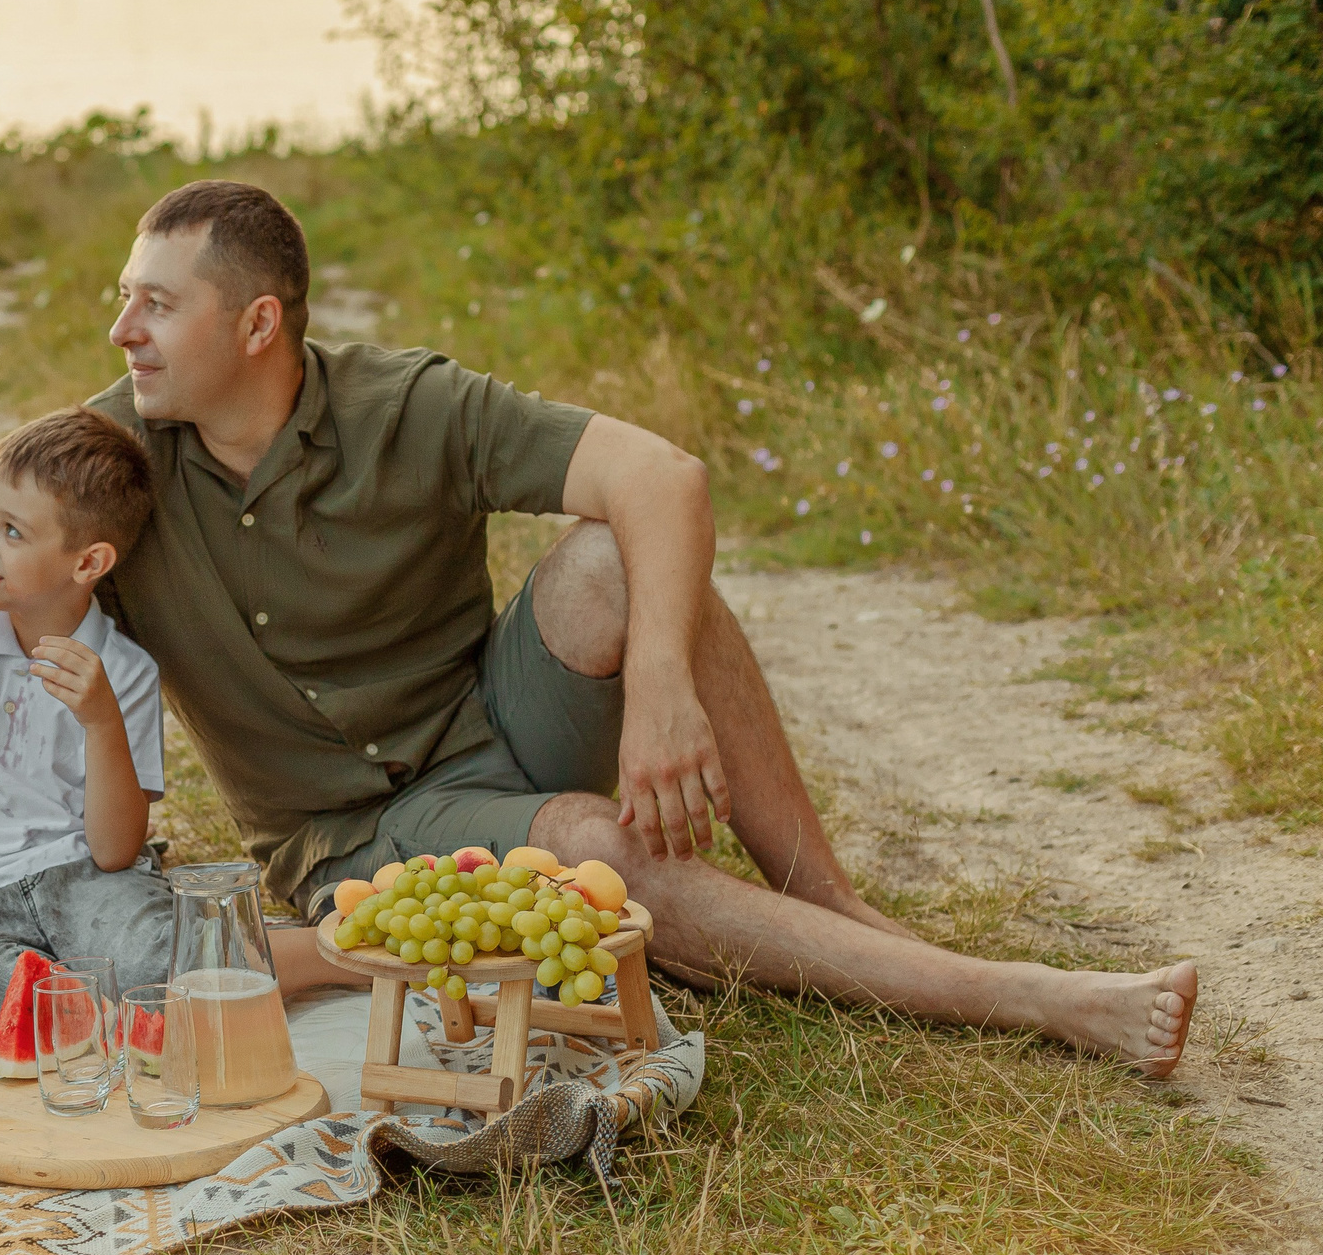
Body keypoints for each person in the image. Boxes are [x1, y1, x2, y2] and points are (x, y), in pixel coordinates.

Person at [85, 179, 1196, 1075]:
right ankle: (1035, 1001)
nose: (121, 328)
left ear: (257, 323)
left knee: (627, 559)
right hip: (361, 839)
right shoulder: (109, 460)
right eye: (124, 298)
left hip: (487, 722)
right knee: (597, 851)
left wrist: (660, 685)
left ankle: (827, 902)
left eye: (155, 304)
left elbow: (661, 476)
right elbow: (7, 595)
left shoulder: (401, 406)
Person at [0, 410, 184, 1049]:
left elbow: (113, 850)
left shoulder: (126, 673)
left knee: (163, 962)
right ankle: (103, 1022)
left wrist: (103, 721)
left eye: (13, 532)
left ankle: (115, 1014)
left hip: (90, 884)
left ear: (88, 562)